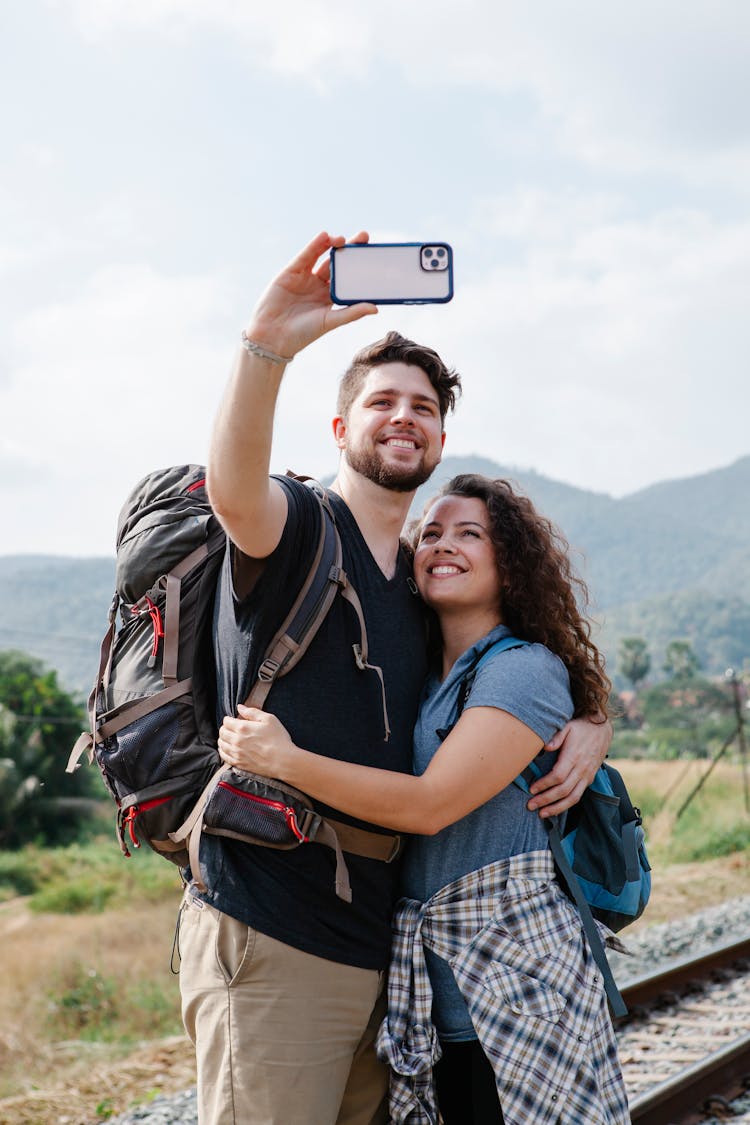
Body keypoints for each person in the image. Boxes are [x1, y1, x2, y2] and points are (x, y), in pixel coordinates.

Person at [179, 229, 613, 1125]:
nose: (403, 415)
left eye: (421, 405)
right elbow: (231, 489)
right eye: (381, 401)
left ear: (442, 433)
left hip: (380, 946)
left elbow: (519, 666)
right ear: (342, 427)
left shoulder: (419, 588)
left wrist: (593, 716)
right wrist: (267, 344)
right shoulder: (297, 526)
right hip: (272, 924)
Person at [217, 474, 630, 1125]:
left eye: (471, 533)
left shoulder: (520, 667)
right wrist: (596, 721)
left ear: (511, 562)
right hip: (439, 993)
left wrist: (284, 760)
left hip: (520, 981)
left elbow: (430, 803)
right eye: (431, 532)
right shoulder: (426, 670)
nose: (444, 544)